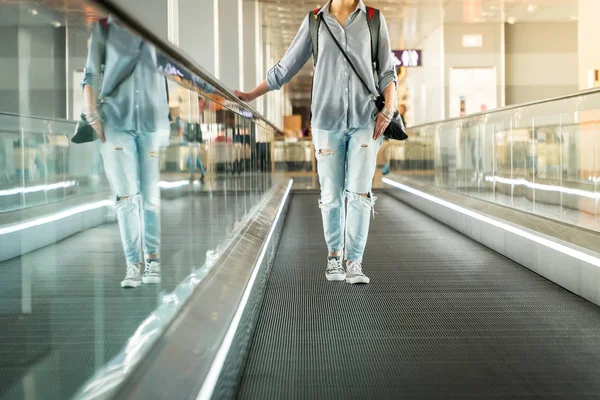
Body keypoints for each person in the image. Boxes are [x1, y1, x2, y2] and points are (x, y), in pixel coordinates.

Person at [235, 0, 397, 284]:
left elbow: (387, 71)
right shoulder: (315, 22)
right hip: (326, 121)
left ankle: (354, 261)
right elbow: (285, 68)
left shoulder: (373, 19)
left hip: (366, 120)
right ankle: (334, 257)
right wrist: (250, 95)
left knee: (359, 194)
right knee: (332, 195)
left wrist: (388, 110)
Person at [82, 17, 169, 288]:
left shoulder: (153, 27)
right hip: (117, 123)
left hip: (151, 124)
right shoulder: (104, 29)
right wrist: (92, 115)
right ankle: (134, 264)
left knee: (150, 195)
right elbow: (91, 73)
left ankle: (153, 259)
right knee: (127, 196)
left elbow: (170, 72)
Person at [382, 103, 406, 175]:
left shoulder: (400, 118)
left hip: (397, 140)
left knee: (394, 155)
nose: (400, 109)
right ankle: (387, 169)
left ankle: (388, 170)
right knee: (392, 155)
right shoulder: (396, 116)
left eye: (402, 108)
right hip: (394, 140)